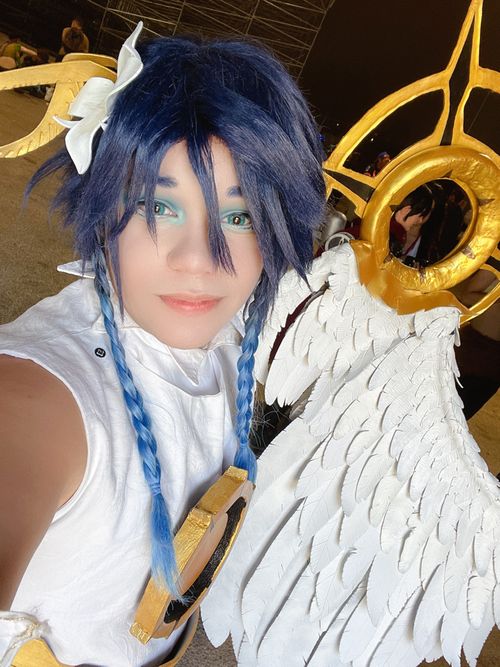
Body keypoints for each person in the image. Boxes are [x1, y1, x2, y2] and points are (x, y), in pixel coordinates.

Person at [0, 24, 325, 666]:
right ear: (102, 213)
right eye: (158, 208)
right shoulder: (37, 401)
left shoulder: (227, 341)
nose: (199, 260)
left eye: (239, 217)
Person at [389, 183, 435, 267]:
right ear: (406, 210)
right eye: (420, 215)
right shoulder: (390, 236)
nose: (420, 220)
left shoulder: (390, 230)